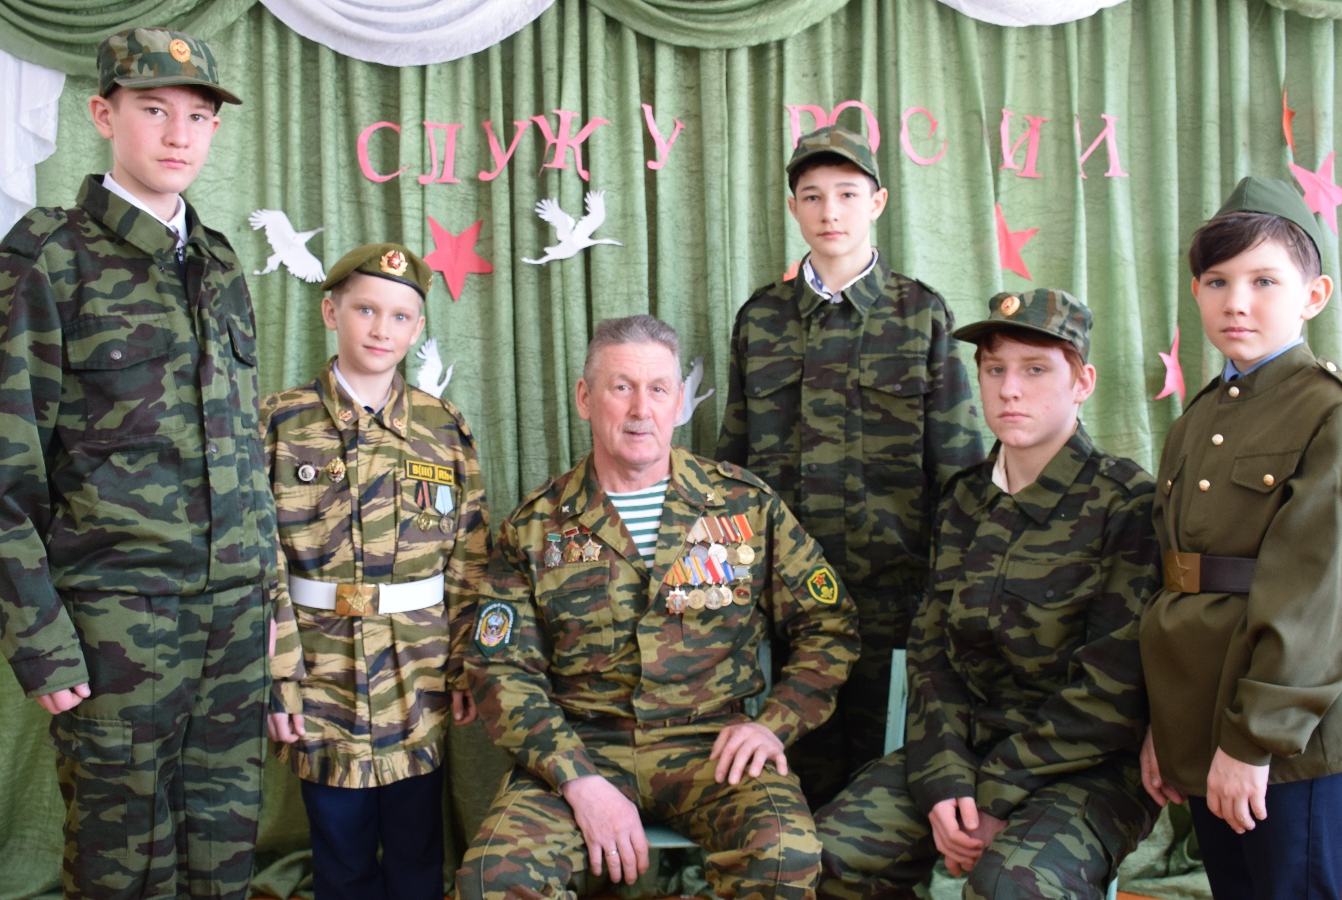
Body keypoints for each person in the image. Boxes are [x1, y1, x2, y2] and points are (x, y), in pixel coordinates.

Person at [0, 27, 273, 899]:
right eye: (153, 110)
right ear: (104, 115)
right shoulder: (48, 257)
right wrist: (39, 640)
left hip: (232, 616)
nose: (179, 135)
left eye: (198, 117)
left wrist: (266, 598)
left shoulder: (219, 262)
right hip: (118, 622)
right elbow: (2, 472)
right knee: (123, 864)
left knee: (223, 848)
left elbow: (242, 449)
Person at [456, 315, 860, 900]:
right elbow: (501, 669)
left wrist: (774, 723)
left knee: (785, 857)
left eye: (658, 389)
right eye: (621, 387)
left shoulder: (745, 506)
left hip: (713, 744)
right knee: (492, 880)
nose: (640, 409)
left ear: (680, 403)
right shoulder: (535, 527)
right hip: (581, 744)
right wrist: (577, 779)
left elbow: (829, 625)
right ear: (585, 398)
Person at [816, 290, 1160, 898]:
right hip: (963, 753)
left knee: (1009, 887)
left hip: (1087, 771)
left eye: (1036, 369)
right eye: (994, 369)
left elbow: (1114, 693)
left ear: (1082, 383)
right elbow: (932, 657)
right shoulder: (963, 499)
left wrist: (996, 794)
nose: (1009, 390)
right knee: (815, 861)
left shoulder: (1126, 503)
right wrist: (945, 780)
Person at [716, 122, 985, 807]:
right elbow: (732, 470)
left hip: (891, 603)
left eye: (846, 194)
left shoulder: (921, 314)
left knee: (881, 788)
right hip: (784, 603)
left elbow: (958, 470)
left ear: (878, 202)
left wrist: (946, 595)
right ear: (793, 208)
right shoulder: (761, 319)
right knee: (790, 786)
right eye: (812, 196)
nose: (829, 211)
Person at [1139, 177, 1342, 900]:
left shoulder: (1332, 411)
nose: (1236, 301)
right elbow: (1172, 580)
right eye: (1217, 281)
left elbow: (1319, 596)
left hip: (1280, 735)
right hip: (1198, 716)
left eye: (1264, 280)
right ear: (1196, 292)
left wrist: (1255, 742)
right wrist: (1164, 725)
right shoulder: (1198, 417)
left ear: (1314, 295)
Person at [262, 243, 489, 899]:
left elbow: (469, 559)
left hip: (417, 673)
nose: (381, 329)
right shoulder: (279, 423)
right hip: (320, 670)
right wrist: (278, 676)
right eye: (365, 309)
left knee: (417, 849)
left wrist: (464, 665)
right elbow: (257, 563)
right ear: (330, 312)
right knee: (340, 850)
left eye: (399, 316)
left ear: (417, 330)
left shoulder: (442, 428)